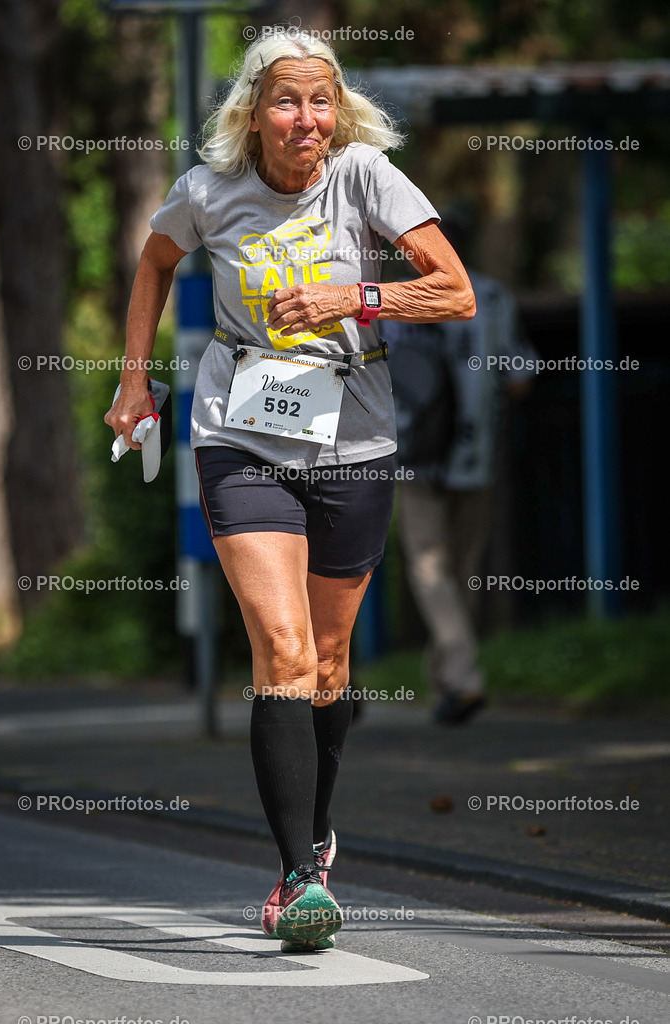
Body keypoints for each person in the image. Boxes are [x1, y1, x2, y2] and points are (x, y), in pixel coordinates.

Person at [104, 29, 474, 953]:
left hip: (354, 438)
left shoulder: (368, 177)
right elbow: (154, 263)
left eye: (320, 101)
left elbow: (455, 290)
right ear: (253, 112)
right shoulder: (207, 190)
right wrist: (133, 379)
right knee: (281, 646)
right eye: (286, 101)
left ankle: (316, 826)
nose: (305, 119)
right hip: (241, 433)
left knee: (331, 663)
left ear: (336, 109)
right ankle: (298, 876)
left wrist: (356, 299)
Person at [381, 216, 535, 726]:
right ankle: (452, 681)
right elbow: (520, 377)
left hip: (415, 453)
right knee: (461, 570)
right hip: (476, 453)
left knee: (428, 570)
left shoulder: (392, 300)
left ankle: (458, 678)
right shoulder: (491, 297)